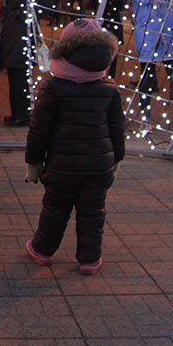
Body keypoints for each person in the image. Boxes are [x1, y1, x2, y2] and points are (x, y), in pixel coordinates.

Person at [23, 19, 125, 276]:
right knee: (93, 213)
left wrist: (33, 163)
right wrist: (116, 158)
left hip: (62, 166)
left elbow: (39, 130)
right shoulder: (109, 89)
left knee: (55, 210)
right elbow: (117, 129)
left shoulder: (54, 87)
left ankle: (42, 250)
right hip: (98, 166)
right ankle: (90, 259)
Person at [0, 0, 54, 127]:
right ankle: (17, 112)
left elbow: (45, 4)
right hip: (10, 31)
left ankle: (23, 114)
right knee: (13, 72)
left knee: (20, 72)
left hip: (22, 33)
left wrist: (26, 12)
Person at [94, 0, 129, 79]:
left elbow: (121, 7)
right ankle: (100, 75)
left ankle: (111, 77)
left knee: (113, 53)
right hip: (102, 23)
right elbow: (96, 4)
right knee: (100, 50)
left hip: (114, 24)